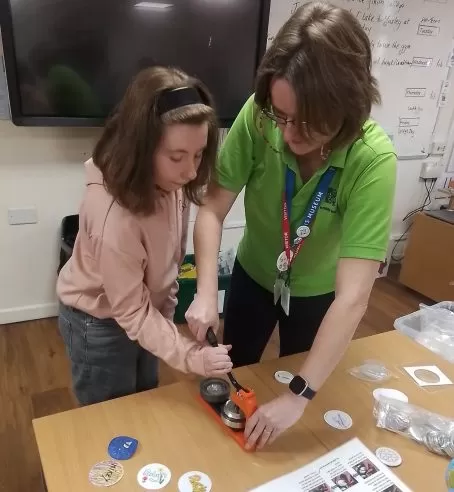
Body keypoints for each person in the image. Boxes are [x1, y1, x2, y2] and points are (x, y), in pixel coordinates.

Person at [185, 2, 396, 449]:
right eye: (281, 116)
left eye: (306, 122)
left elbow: (354, 296)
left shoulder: (372, 161)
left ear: (348, 108)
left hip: (319, 295)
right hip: (254, 275)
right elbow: (211, 210)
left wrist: (299, 395)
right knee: (231, 373)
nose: (287, 133)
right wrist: (206, 292)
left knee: (300, 383)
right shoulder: (260, 117)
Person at [57, 66, 232, 406]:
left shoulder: (170, 181)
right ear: (140, 147)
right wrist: (190, 356)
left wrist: (166, 320)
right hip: (98, 323)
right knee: (112, 417)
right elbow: (132, 314)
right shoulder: (114, 216)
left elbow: (169, 260)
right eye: (177, 157)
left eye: (198, 155)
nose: (192, 171)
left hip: (141, 311)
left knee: (144, 399)